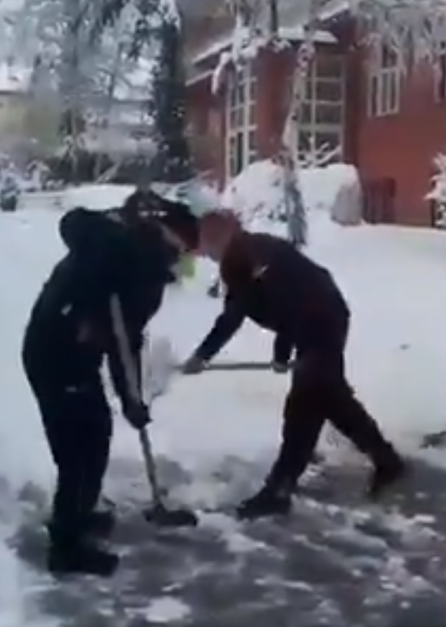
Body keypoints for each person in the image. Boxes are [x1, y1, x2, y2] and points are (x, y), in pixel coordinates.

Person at [182, 210, 406, 520]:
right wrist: (283, 353)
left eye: (206, 242)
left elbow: (245, 311)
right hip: (323, 315)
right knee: (332, 399)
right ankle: (387, 461)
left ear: (220, 236)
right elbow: (272, 301)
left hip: (318, 321)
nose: (205, 251)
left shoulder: (244, 257)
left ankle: (279, 489)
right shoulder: (249, 251)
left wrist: (202, 356)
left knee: (304, 406)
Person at [21, 190, 198, 575]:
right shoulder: (123, 254)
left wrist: (130, 397)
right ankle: (65, 548)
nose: (184, 262)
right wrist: (83, 306)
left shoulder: (143, 269)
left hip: (77, 357)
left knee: (96, 433)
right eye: (183, 250)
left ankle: (80, 516)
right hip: (55, 352)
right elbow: (76, 223)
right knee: (77, 451)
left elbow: (125, 341)